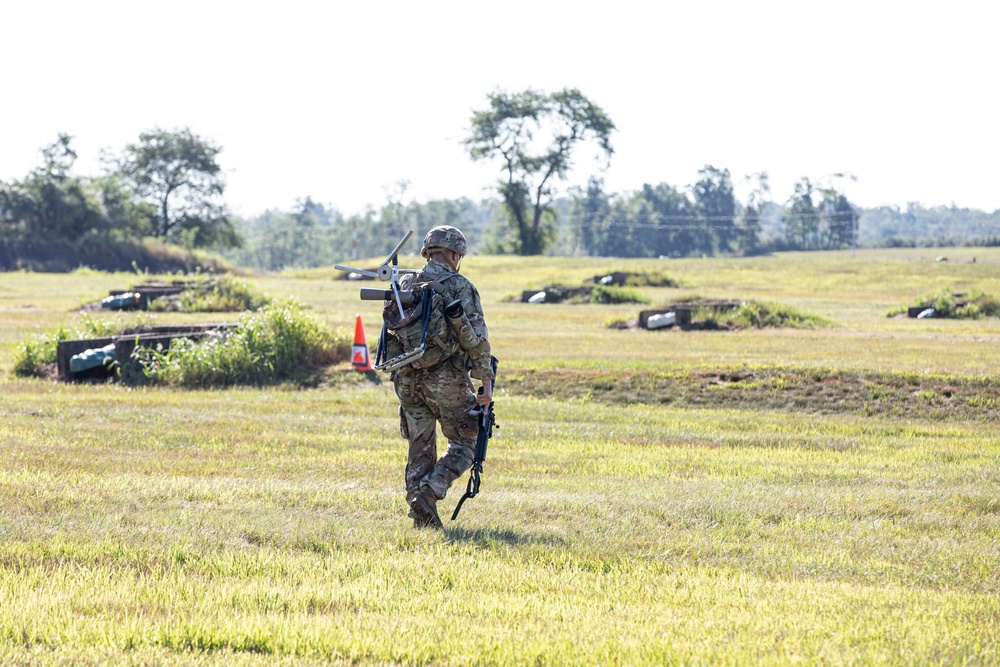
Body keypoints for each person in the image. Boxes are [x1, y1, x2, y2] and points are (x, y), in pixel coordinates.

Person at [388, 225, 494, 529]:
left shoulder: (405, 282)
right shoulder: (460, 286)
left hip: (405, 377)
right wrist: (485, 387)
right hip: (445, 379)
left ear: (427, 252)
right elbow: (477, 340)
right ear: (454, 254)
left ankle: (420, 514)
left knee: (420, 445)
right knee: (466, 443)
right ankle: (430, 491)